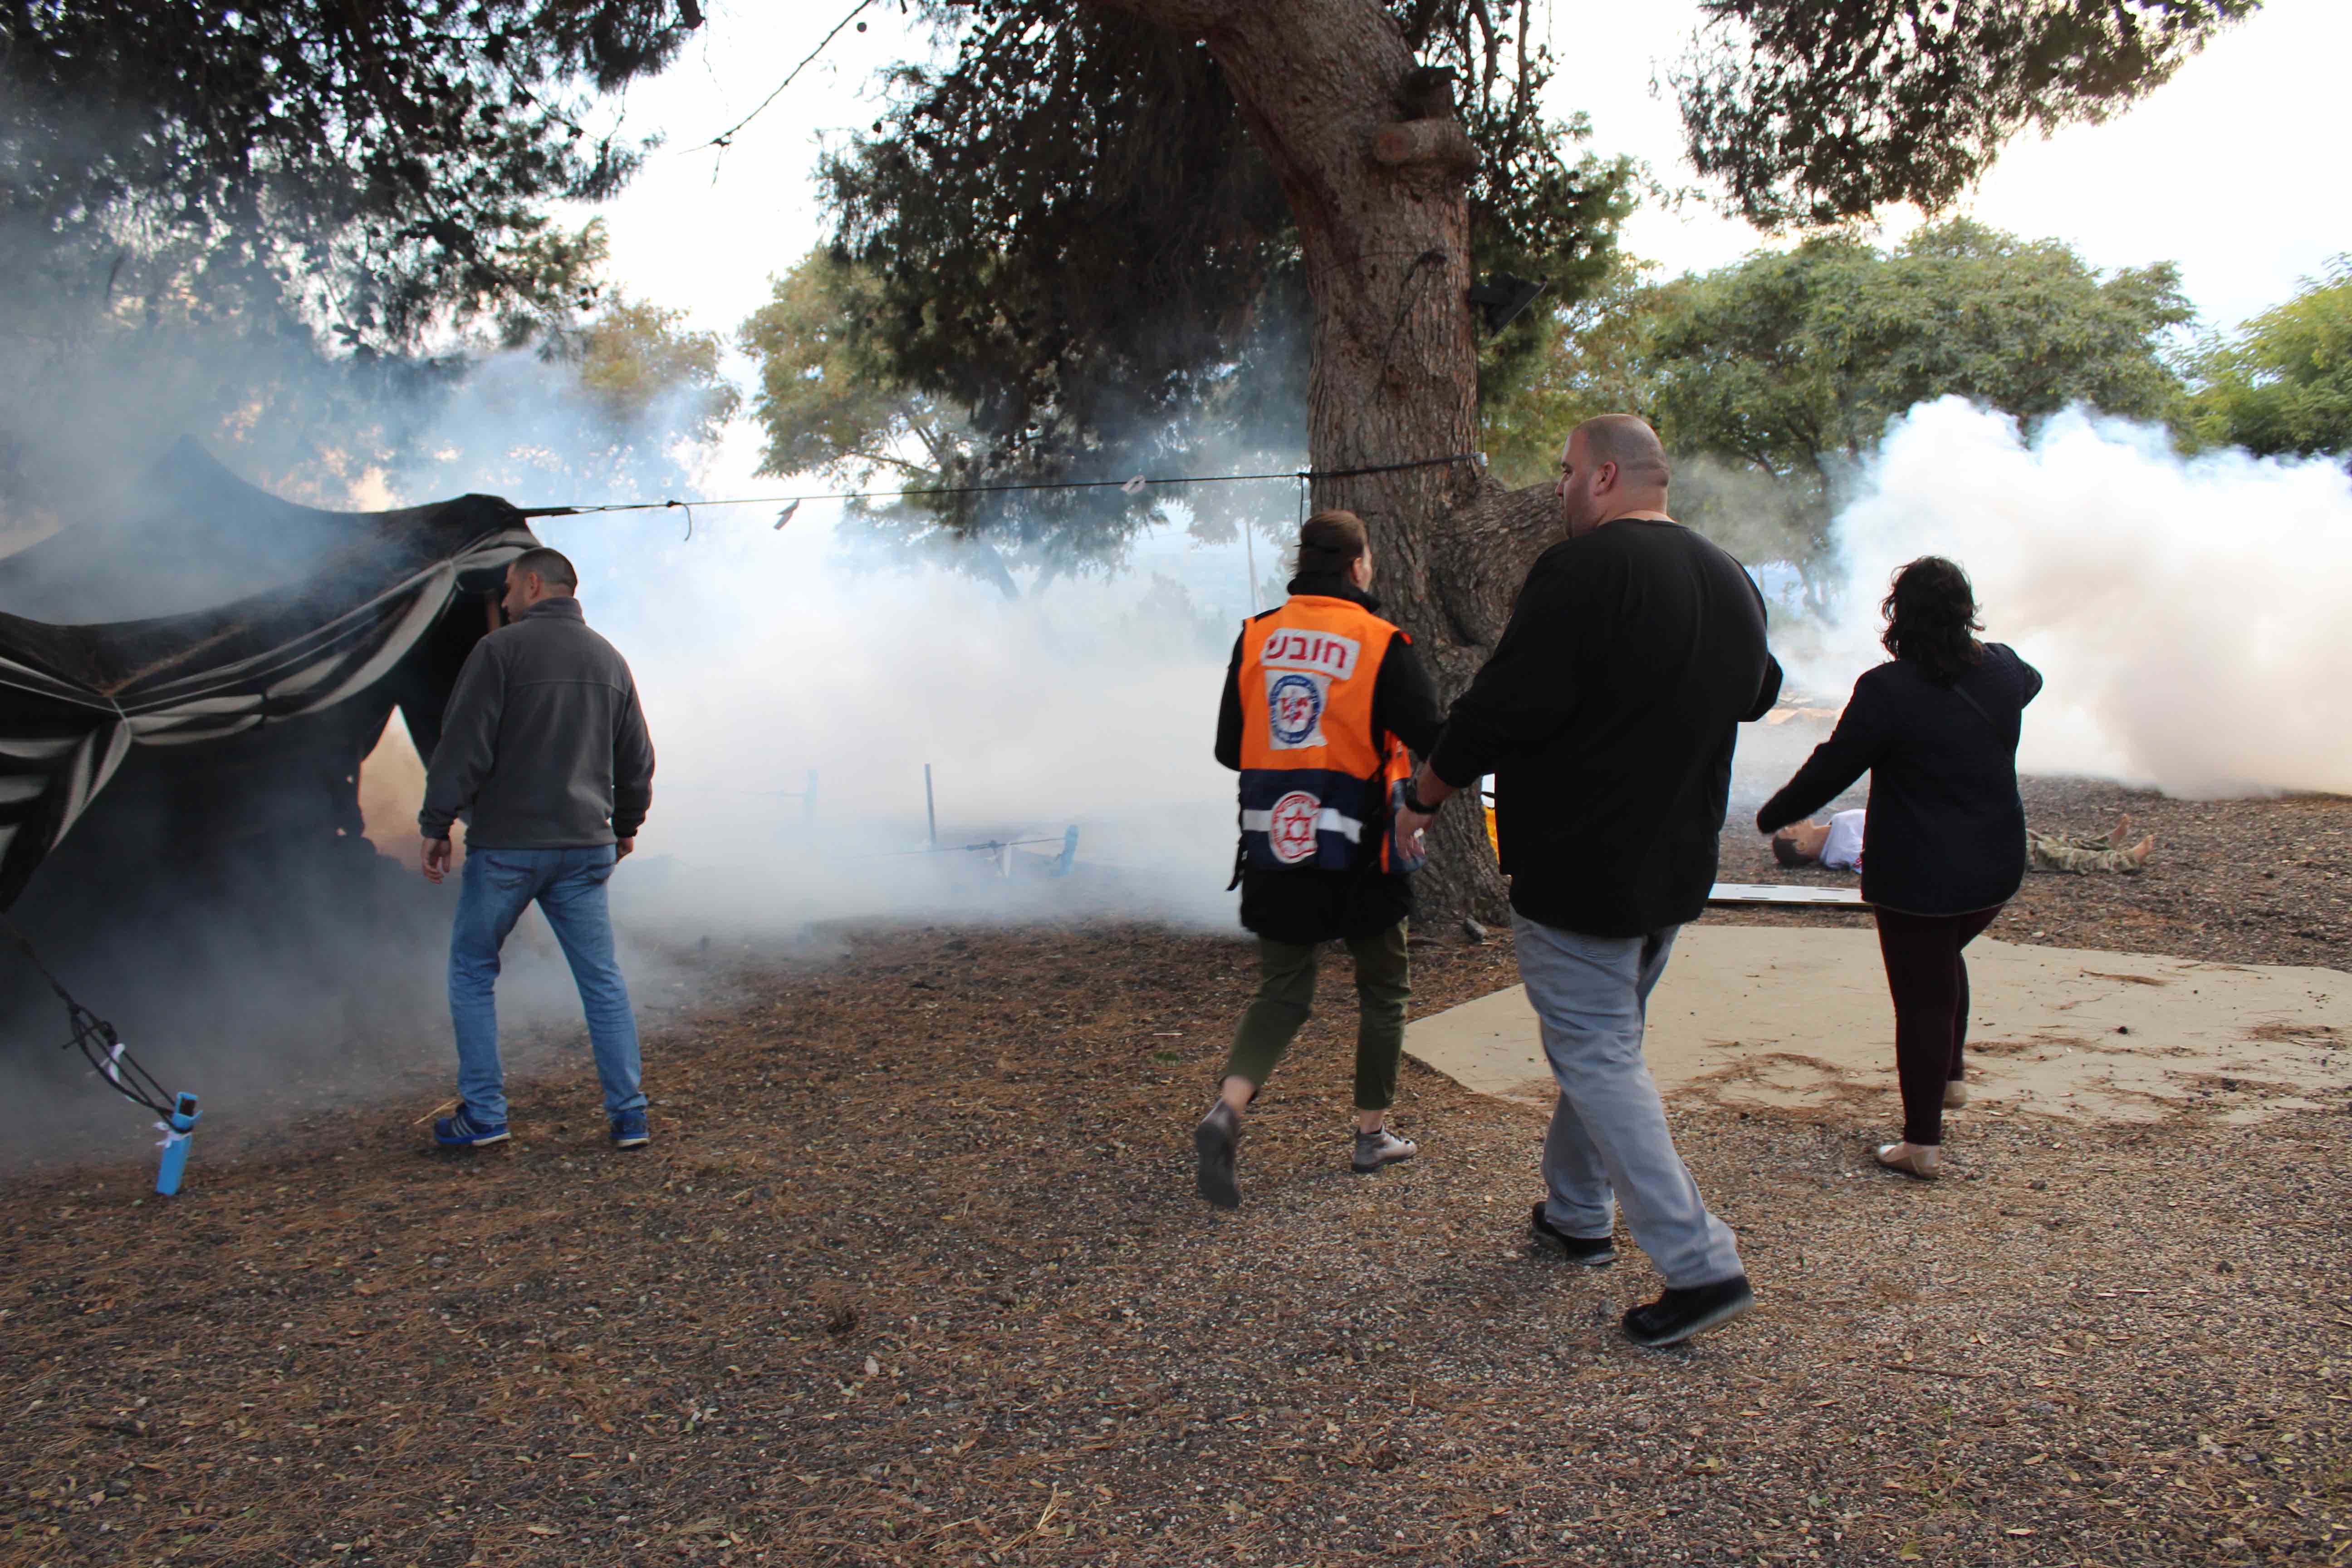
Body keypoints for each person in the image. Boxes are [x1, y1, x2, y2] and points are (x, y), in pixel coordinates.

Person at [1393, 415, 1782, 1349]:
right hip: (1676, 861)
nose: (1558, 488)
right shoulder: (1730, 576)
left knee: (1598, 1054)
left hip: (1581, 861)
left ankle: (1699, 1264)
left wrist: (1424, 792)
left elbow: (1503, 705)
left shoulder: (1581, 573)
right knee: (1599, 1044)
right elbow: (1760, 691)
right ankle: (1576, 1215)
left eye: (1567, 471)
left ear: (1607, 477)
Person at [1754, 556, 2041, 1181]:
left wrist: (1774, 814)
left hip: (1920, 874)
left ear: (1898, 616)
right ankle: (1951, 1079)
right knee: (1943, 965)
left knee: (1921, 1002)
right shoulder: (2006, 668)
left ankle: (1921, 1144)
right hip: (1996, 864)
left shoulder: (1888, 691)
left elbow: (1835, 766)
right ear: (1968, 612)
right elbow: (2032, 684)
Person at [1195, 510, 1444, 1209]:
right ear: (1360, 566)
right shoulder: (1381, 642)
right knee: (1384, 989)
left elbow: (1227, 748)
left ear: (1303, 562)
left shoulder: (1257, 637)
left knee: (1282, 991)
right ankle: (1371, 1134)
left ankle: (1229, 1109)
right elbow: (1434, 736)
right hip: (1363, 849)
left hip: (1276, 842)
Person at [418, 547, 657, 1150]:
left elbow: (462, 744)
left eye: (506, 588)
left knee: (472, 970)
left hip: (508, 849)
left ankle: (486, 1114)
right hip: (584, 847)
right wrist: (626, 824)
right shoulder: (609, 659)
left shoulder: (499, 651)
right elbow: (637, 759)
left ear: (531, 584)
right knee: (601, 980)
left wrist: (437, 821)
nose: (502, 601)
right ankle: (629, 1116)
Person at [1773, 812, 2154, 874]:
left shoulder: (1837, 823)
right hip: (1944, 846)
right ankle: (2122, 862)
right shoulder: (1839, 849)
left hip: (1940, 828)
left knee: (2034, 838)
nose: (1796, 825)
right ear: (1803, 849)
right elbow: (1873, 862)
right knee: (2039, 853)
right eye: (1793, 833)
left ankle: (2104, 844)